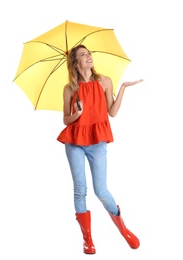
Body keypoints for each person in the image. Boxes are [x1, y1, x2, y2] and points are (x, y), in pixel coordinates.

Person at [57, 44, 143, 254]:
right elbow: (65, 120)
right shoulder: (70, 88)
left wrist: (122, 88)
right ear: (75, 63)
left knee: (101, 191)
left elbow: (112, 112)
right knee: (80, 190)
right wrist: (76, 114)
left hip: (97, 142)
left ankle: (123, 229)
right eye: (83, 55)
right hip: (75, 142)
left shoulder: (104, 81)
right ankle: (87, 240)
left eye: (89, 53)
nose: (88, 57)